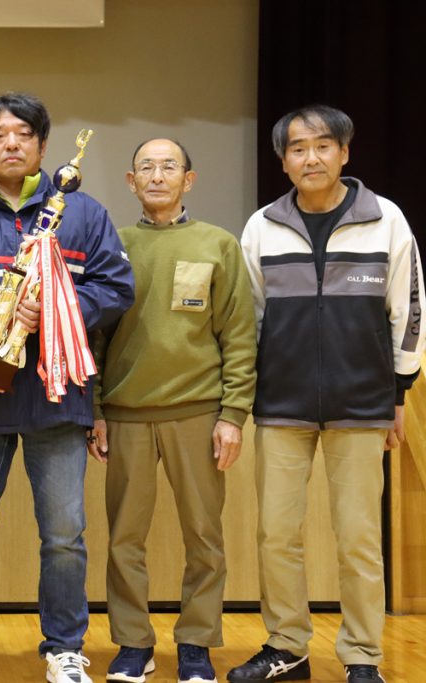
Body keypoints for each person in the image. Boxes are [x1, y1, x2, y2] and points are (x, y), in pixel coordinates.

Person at [0, 92, 134, 683]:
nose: (11, 144)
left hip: (57, 396)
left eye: (23, 134)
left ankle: (64, 647)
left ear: (42, 144)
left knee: (63, 534)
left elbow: (117, 288)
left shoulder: (82, 214)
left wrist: (59, 310)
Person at [226, 105, 424, 683]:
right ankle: (287, 647)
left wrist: (398, 393)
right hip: (280, 404)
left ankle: (363, 656)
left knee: (359, 538)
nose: (310, 158)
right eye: (297, 149)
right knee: (276, 535)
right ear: (283, 161)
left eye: (322, 146)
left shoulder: (386, 220)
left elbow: (409, 309)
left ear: (344, 152)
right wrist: (242, 397)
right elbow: (247, 320)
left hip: (361, 404)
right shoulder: (262, 227)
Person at [89, 138, 256, 683]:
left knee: (204, 537)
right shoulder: (113, 246)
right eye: (146, 167)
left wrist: (233, 414)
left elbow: (239, 335)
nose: (157, 175)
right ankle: (133, 643)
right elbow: (93, 336)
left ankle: (196, 644)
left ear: (189, 179)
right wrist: (95, 408)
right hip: (126, 413)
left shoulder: (218, 244)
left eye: (169, 167)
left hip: (199, 413)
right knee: (123, 539)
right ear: (131, 181)